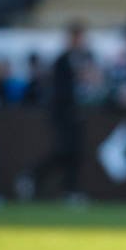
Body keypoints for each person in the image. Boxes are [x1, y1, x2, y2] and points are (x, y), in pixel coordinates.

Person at [30, 20, 92, 200]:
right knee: (64, 151)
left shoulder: (84, 59)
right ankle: (33, 176)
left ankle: (70, 190)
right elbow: (60, 91)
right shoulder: (62, 61)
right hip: (63, 115)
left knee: (75, 152)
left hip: (76, 115)